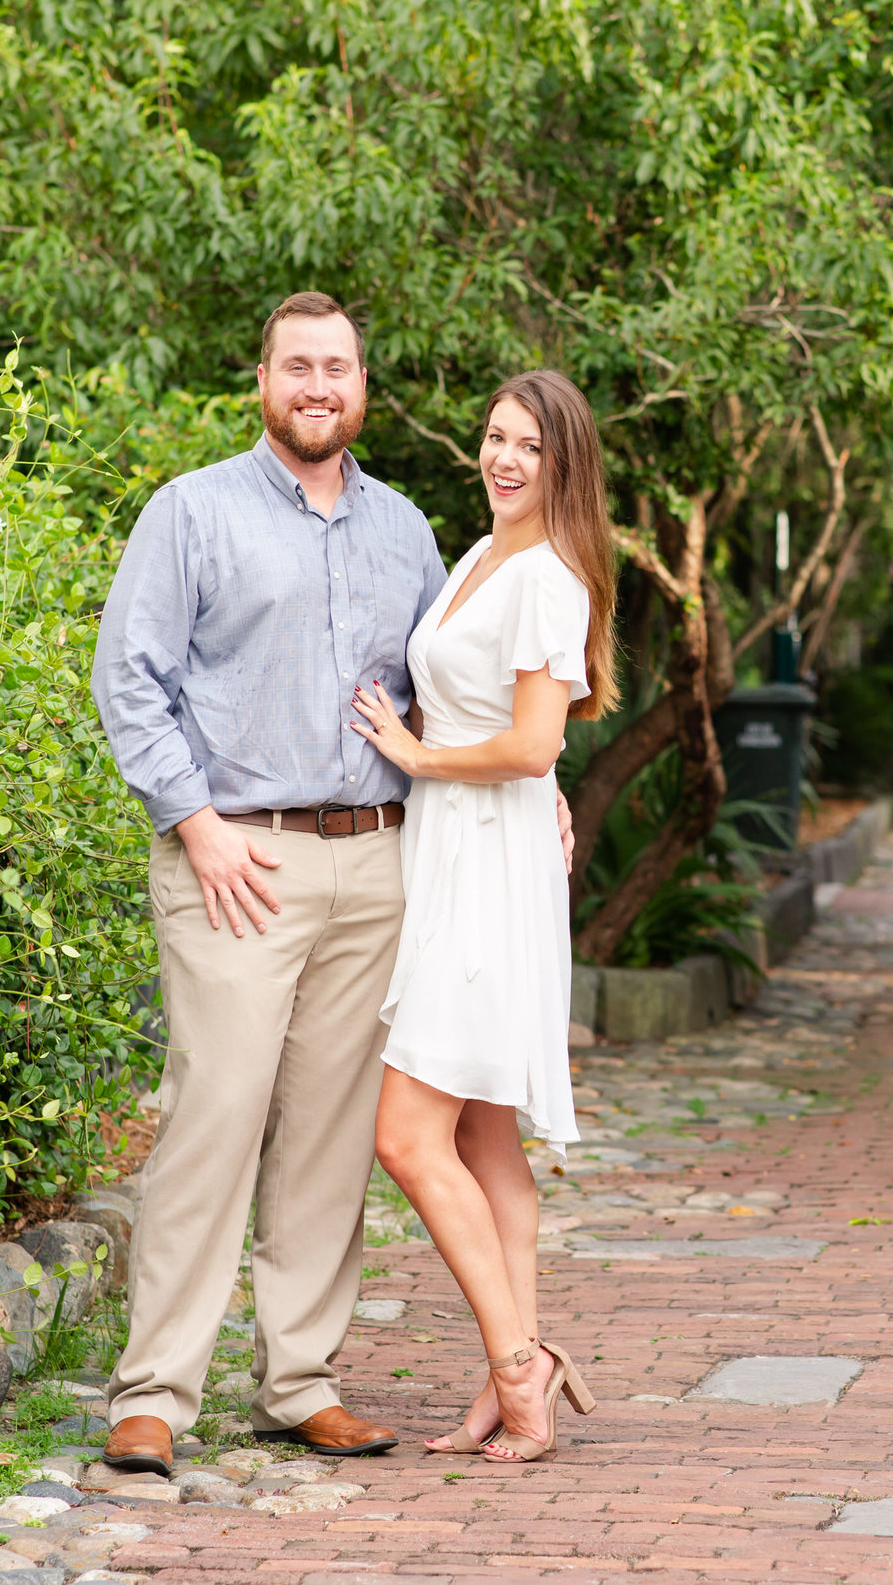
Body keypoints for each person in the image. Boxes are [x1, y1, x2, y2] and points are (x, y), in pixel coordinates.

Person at [88, 293, 575, 1470]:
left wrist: (540, 779)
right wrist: (193, 821)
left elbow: (465, 690)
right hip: (238, 859)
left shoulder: (407, 528)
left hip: (383, 860)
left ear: (363, 385)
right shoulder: (191, 511)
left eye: (339, 367)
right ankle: (153, 1391)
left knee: (328, 1136)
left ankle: (299, 1377)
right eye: (297, 365)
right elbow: (128, 676)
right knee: (215, 1113)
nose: (319, 384)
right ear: (262, 377)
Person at [347, 370, 616, 1463]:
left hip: (486, 866)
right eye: (495, 438)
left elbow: (535, 742)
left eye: (527, 446)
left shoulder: (549, 577)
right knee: (483, 1135)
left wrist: (418, 756)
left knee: (408, 1134)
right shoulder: (480, 553)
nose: (503, 458)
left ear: (563, 463)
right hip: (455, 849)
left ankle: (519, 1364)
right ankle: (521, 1357)